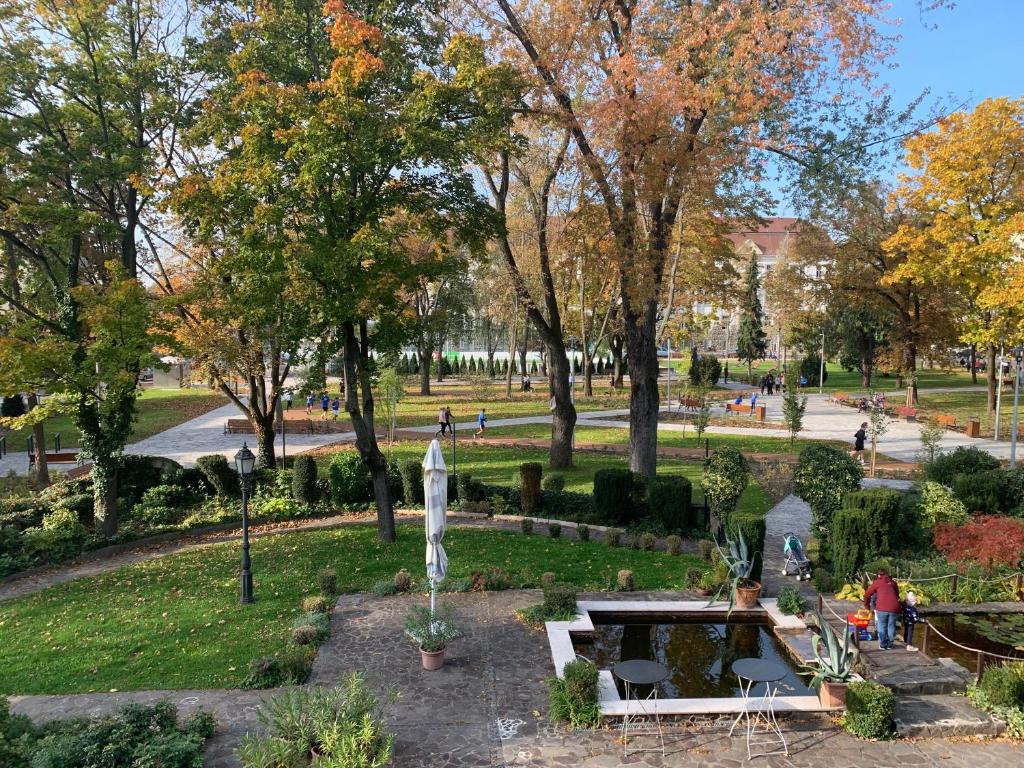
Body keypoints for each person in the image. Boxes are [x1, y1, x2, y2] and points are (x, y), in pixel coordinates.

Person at [864, 568, 901, 650]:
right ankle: (890, 644)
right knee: (891, 625)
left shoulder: (877, 582)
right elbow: (897, 594)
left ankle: (883, 644)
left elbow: (867, 594)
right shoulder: (893, 582)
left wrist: (867, 606)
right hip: (894, 607)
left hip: (882, 608)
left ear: (879, 575)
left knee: (882, 625)